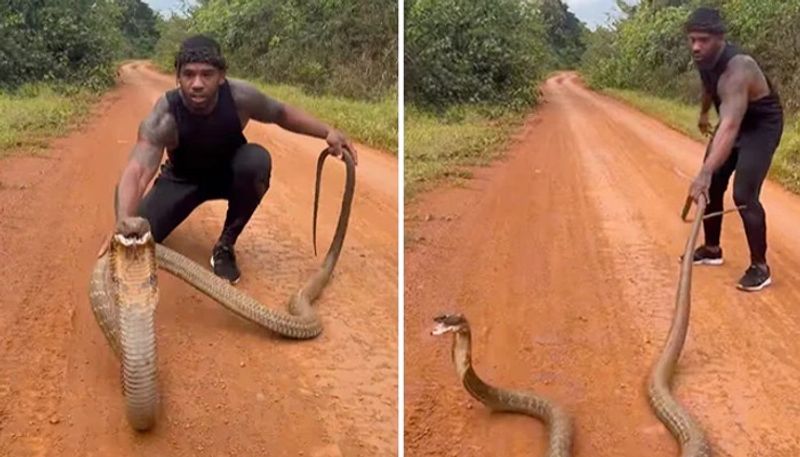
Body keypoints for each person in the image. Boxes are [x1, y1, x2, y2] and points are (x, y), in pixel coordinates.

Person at [114, 35, 358, 285]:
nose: (197, 83)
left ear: (221, 76)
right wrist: (123, 221)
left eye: (206, 74)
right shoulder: (165, 116)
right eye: (188, 74)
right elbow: (137, 170)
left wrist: (327, 132)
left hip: (227, 174)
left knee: (256, 161)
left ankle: (225, 245)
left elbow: (281, 113)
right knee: (140, 238)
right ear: (178, 77)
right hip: (182, 179)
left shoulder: (241, 97)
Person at [684, 7, 783, 292]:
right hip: (733, 122)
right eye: (692, 40)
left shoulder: (739, 68)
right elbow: (708, 88)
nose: (696, 46)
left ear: (720, 38)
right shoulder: (704, 60)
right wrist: (704, 114)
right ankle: (712, 249)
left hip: (760, 127)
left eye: (702, 40)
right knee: (713, 184)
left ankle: (760, 268)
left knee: (743, 193)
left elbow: (729, 126)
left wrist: (703, 171)